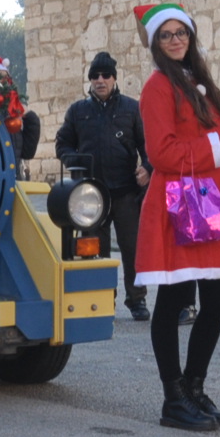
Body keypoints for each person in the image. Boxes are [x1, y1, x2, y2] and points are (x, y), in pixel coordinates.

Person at [129, 2, 220, 432]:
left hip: (206, 194)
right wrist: (219, 146)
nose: (176, 40)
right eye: (167, 35)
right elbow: (161, 153)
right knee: (173, 300)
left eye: (182, 33)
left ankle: (193, 386)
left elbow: (212, 139)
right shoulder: (157, 86)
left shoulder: (196, 80)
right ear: (156, 42)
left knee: (217, 299)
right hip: (180, 197)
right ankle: (173, 396)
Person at [54, 52, 150, 320]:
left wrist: (148, 167)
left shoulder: (132, 109)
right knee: (93, 249)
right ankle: (101, 301)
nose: (100, 80)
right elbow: (62, 144)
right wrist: (76, 160)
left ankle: (137, 300)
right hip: (90, 195)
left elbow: (148, 145)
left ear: (114, 78)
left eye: (105, 75)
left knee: (132, 249)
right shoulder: (77, 111)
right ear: (90, 80)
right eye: (95, 76)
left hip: (125, 192)